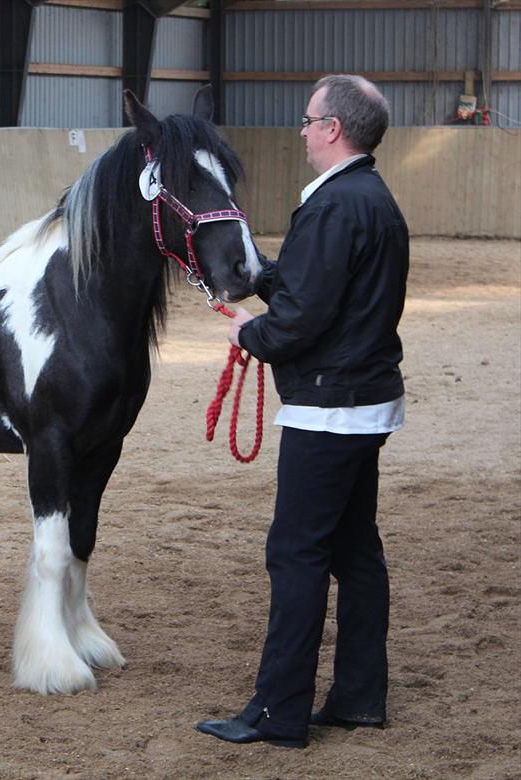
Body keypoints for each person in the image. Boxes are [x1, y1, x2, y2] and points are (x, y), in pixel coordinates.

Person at [195, 74, 410, 749]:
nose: (302, 128)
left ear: (333, 130)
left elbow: (301, 319)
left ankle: (277, 712)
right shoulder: (370, 199)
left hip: (328, 408)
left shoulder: (334, 205)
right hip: (364, 403)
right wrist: (259, 275)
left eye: (309, 118)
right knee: (355, 551)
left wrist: (248, 334)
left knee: (294, 555)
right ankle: (358, 697)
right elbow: (315, 285)